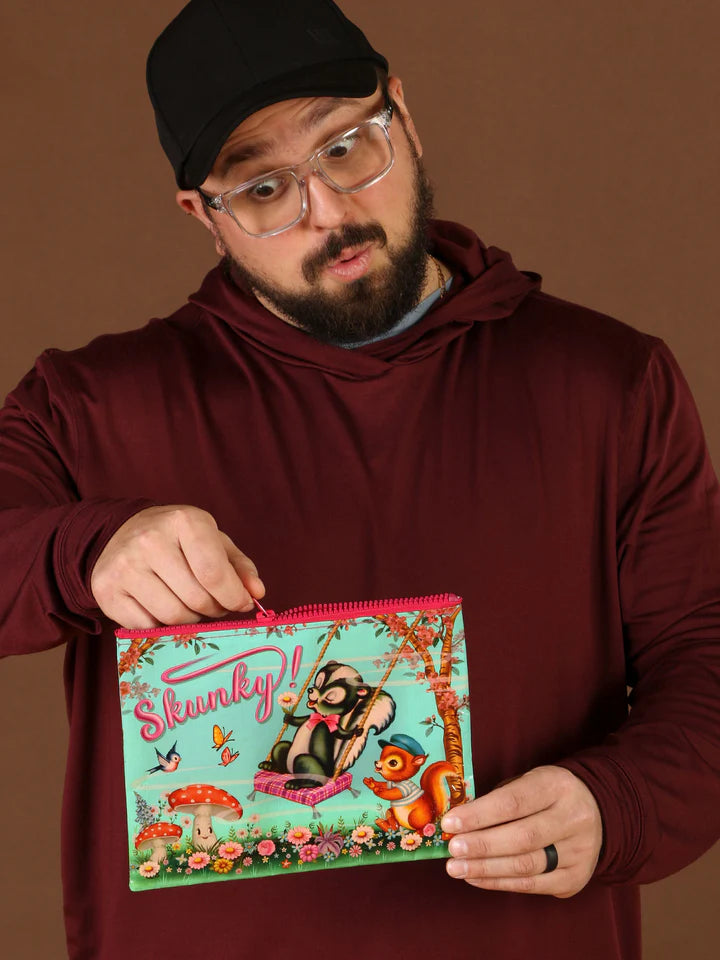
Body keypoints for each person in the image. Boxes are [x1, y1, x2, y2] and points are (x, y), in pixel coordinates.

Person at [0, 0, 718, 957]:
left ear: (403, 117)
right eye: (264, 188)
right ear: (204, 216)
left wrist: (619, 803)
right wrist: (85, 550)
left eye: (346, 147)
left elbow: (705, 658)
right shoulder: (88, 405)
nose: (330, 211)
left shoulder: (610, 383)